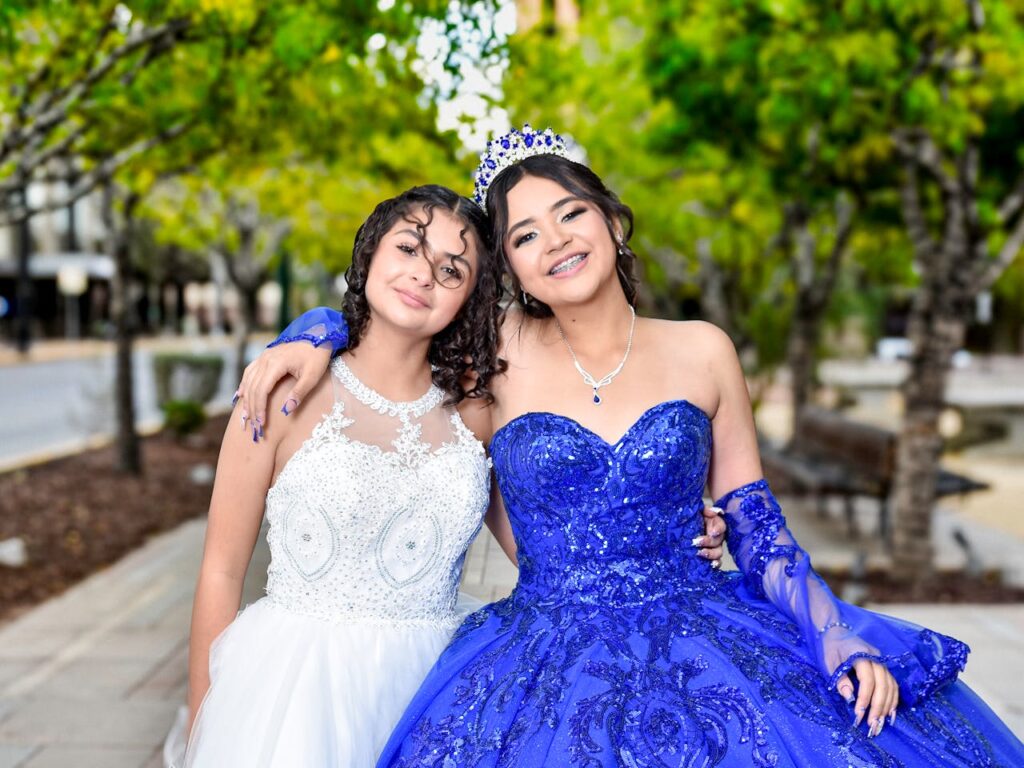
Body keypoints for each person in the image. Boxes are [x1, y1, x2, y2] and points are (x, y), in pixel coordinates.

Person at [240, 127, 1024, 766]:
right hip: (544, 660)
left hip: (705, 634)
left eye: (570, 214)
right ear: (509, 268)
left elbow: (756, 523)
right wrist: (313, 334)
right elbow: (396, 320)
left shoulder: (704, 349)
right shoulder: (492, 353)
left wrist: (835, 635)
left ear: (611, 220)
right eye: (522, 235)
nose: (554, 240)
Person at [176, 185, 508, 766]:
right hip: (292, 697)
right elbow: (221, 570)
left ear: (471, 297)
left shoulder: (479, 412)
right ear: (371, 254)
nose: (423, 275)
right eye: (408, 247)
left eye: (451, 270)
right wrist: (202, 727)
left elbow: (545, 553)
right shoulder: (281, 392)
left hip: (436, 694)